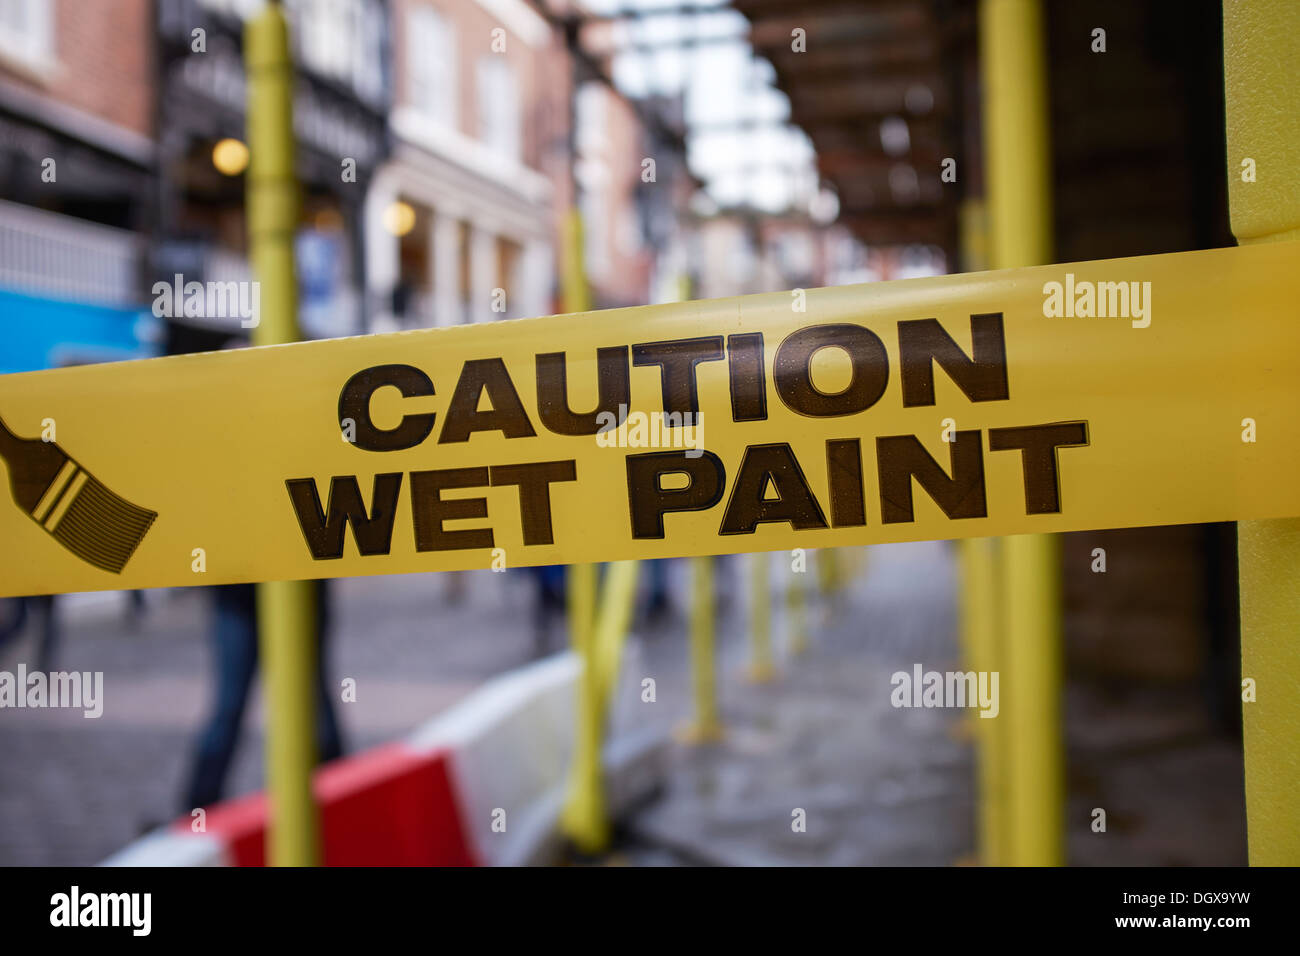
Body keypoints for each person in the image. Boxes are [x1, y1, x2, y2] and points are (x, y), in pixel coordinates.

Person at [181, 580, 343, 811]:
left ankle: (338, 803)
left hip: (296, 593)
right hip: (238, 597)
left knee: (314, 704)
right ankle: (196, 815)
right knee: (229, 707)